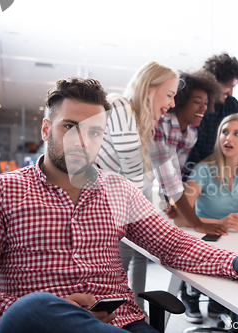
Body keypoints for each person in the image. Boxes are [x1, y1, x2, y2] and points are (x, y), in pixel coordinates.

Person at [0, 77, 238, 333]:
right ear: (46, 130)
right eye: (69, 127)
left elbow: (172, 244)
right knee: (35, 307)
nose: (81, 140)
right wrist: (45, 312)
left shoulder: (118, 190)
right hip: (38, 326)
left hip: (121, 322)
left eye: (93, 132)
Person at [95, 61, 179, 311]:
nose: (172, 104)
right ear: (149, 89)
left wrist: (162, 203)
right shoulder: (120, 105)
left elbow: (141, 181)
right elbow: (132, 172)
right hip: (98, 215)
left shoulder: (142, 127)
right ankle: (119, 315)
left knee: (138, 253)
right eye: (169, 95)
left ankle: (136, 312)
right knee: (115, 269)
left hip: (113, 211)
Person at [174, 114, 238, 322]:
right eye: (224, 132)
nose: (228, 138)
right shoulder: (203, 170)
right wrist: (217, 223)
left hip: (233, 240)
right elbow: (179, 217)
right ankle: (190, 293)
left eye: (236, 134)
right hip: (204, 238)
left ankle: (221, 301)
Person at [153, 70, 221, 218]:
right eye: (197, 102)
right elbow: (164, 173)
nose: (203, 108)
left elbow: (176, 173)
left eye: (206, 104)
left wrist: (167, 203)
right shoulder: (160, 123)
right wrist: (196, 223)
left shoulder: (191, 134)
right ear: (180, 101)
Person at [184, 53, 238, 181]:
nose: (230, 92)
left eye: (233, 87)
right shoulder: (193, 103)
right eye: (228, 86)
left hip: (218, 177)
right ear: (213, 82)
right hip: (189, 174)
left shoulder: (231, 104)